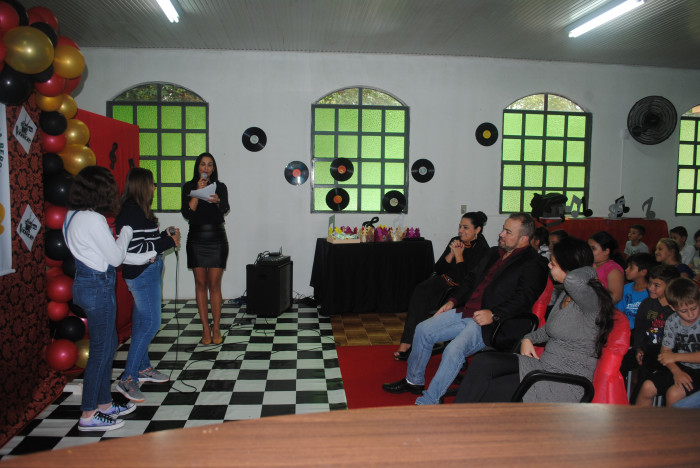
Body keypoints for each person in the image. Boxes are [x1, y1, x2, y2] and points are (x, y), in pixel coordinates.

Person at [382, 213, 548, 405]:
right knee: (422, 330)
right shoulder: (493, 253)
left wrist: (494, 314)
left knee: (453, 350)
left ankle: (429, 401)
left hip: (493, 323)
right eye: (503, 228)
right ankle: (413, 381)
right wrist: (452, 301)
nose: (501, 234)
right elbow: (470, 280)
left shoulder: (534, 263)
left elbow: (523, 299)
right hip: (467, 311)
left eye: (508, 232)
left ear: (524, 238)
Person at [454, 237, 615, 404]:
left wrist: (590, 267)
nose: (549, 266)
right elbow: (549, 329)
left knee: (491, 389)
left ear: (569, 268)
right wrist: (528, 338)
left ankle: (462, 417)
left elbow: (573, 280)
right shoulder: (567, 294)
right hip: (543, 367)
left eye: (553, 264)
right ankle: (456, 415)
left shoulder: (591, 301)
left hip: (562, 382)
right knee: (483, 361)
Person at [63, 166, 148, 431]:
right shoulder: (93, 219)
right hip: (98, 287)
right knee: (100, 352)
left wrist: (141, 255)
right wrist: (127, 233)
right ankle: (88, 414)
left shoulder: (72, 215)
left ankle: (104, 403)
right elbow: (115, 257)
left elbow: (100, 253)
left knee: (108, 344)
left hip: (85, 283)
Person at [114, 168, 179, 402]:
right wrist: (168, 242)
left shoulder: (139, 211)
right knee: (151, 323)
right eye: (152, 183)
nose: (154, 188)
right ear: (143, 186)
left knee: (142, 322)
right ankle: (128, 378)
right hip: (142, 274)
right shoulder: (131, 213)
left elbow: (145, 242)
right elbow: (133, 251)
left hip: (148, 271)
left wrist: (164, 235)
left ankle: (143, 368)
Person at [394, 211, 489, 360]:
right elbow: (438, 269)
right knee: (420, 291)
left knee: (445, 299)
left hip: (462, 289)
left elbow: (466, 279)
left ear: (477, 229)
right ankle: (407, 342)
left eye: (465, 227)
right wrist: (451, 254)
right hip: (444, 281)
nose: (461, 231)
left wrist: (459, 256)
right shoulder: (455, 240)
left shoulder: (483, 250)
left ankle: (434, 342)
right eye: (460, 226)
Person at [181, 152, 230, 345]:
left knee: (214, 284)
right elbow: (187, 213)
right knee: (200, 284)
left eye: (210, 165)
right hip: (196, 238)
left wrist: (217, 200)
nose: (206, 168)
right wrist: (197, 192)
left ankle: (216, 327)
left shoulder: (221, 186)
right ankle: (205, 328)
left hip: (216, 238)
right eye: (203, 164)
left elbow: (225, 208)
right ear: (198, 167)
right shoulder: (189, 187)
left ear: (213, 168)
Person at [636, 277, 700, 406]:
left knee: (673, 394)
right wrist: (676, 371)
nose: (690, 314)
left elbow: (670, 356)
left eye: (694, 308)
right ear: (672, 307)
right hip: (682, 367)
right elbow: (665, 353)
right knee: (647, 387)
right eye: (683, 311)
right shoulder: (672, 320)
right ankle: (638, 419)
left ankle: (672, 420)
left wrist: (675, 357)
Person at [630, 265, 680, 403]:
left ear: (670, 286)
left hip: (670, 357)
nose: (651, 288)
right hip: (648, 353)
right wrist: (639, 348)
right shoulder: (647, 304)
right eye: (650, 283)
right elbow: (639, 330)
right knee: (642, 379)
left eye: (657, 285)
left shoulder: (678, 309)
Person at [615, 253, 656, 330]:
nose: (626, 270)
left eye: (631, 267)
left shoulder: (651, 292)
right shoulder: (625, 288)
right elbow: (618, 312)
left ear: (643, 272)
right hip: (623, 328)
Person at [588, 231, 625, 303]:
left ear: (606, 251)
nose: (589, 251)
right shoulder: (592, 265)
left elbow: (616, 297)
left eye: (593, 248)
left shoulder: (613, 270)